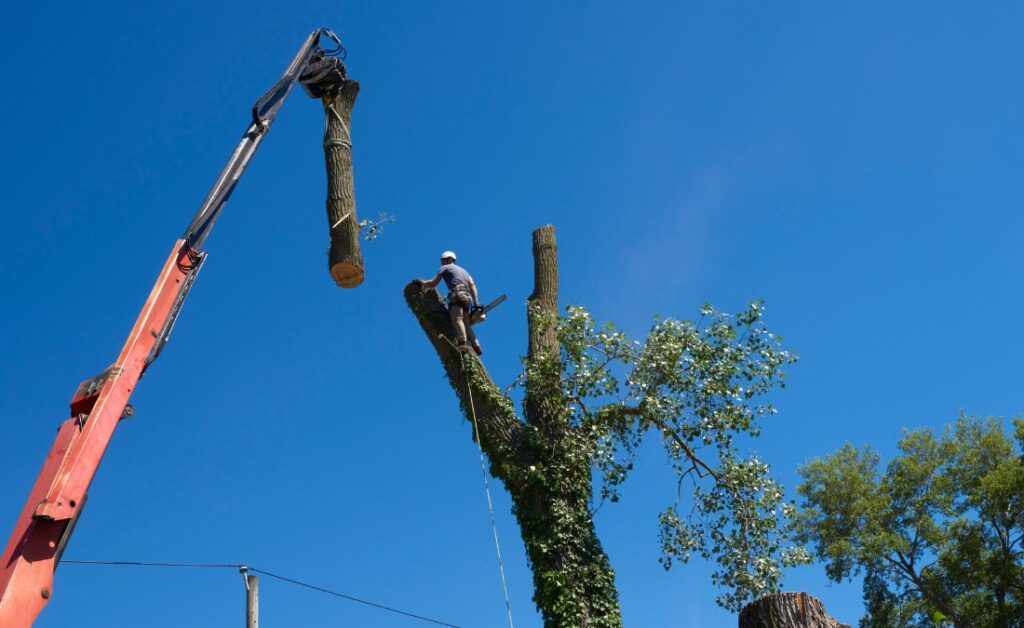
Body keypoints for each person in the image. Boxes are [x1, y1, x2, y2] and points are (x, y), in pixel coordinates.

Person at [422, 250, 483, 355]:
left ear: (449, 259)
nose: (442, 263)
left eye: (443, 260)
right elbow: (472, 285)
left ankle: (462, 343)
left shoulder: (445, 268)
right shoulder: (465, 271)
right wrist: (476, 302)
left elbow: (433, 283)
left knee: (457, 319)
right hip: (467, 297)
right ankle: (477, 346)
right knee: (465, 323)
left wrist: (421, 283)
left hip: (457, 295)